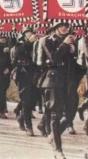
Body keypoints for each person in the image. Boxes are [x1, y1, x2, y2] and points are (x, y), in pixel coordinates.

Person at [37, 22, 80, 159]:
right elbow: (53, 58)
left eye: (66, 25)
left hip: (69, 81)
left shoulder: (72, 40)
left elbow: (74, 63)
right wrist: (65, 45)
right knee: (56, 115)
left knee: (71, 113)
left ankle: (52, 136)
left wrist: (74, 52)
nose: (64, 27)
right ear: (54, 27)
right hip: (54, 80)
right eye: (61, 25)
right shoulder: (46, 40)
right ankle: (58, 149)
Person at [12, 27, 38, 136]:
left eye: (32, 32)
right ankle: (29, 127)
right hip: (23, 74)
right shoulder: (20, 43)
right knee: (26, 100)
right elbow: (18, 52)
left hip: (35, 73)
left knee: (35, 99)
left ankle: (21, 117)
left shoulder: (37, 43)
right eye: (28, 32)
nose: (30, 34)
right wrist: (29, 42)